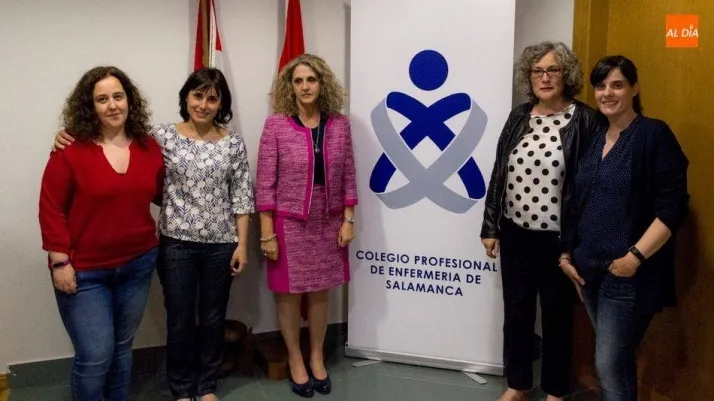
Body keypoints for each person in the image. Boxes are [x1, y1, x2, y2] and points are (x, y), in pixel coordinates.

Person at [53, 67, 255, 401]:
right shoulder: (160, 137)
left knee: (213, 317)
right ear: (185, 98)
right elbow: (114, 135)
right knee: (179, 319)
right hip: (176, 245)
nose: (203, 104)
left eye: (212, 98)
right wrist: (67, 134)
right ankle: (181, 387)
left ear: (221, 104)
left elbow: (242, 196)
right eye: (197, 96)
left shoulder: (232, 142)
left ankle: (206, 385)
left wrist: (242, 245)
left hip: (221, 244)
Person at [559, 55, 689, 401]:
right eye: (601, 86)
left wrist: (635, 257)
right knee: (613, 363)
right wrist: (566, 254)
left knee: (609, 364)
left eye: (617, 85)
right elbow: (576, 202)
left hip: (627, 274)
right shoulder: (594, 138)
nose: (607, 93)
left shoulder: (652, 135)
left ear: (635, 88)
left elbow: (673, 207)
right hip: (587, 271)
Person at [480, 41, 603, 401]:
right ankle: (518, 384)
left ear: (567, 76)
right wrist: (490, 226)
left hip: (559, 241)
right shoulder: (519, 116)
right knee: (516, 314)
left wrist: (577, 242)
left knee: (557, 317)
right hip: (516, 234)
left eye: (553, 70)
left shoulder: (586, 120)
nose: (544, 78)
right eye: (537, 71)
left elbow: (589, 186)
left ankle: (556, 390)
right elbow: (499, 172)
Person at [39, 66, 165, 401]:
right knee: (95, 355)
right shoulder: (70, 150)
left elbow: (161, 193)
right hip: (84, 271)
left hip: (137, 264)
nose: (112, 105)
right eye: (102, 99)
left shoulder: (149, 147)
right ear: (90, 106)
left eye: (118, 96)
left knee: (122, 347)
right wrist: (59, 261)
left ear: (129, 101)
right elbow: (51, 207)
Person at [256, 53, 357, 398]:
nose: (304, 87)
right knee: (289, 294)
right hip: (289, 221)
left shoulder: (340, 125)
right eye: (298, 81)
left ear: (322, 83)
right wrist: (267, 232)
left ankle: (316, 356)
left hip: (329, 219)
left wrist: (348, 219)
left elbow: (349, 175)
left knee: (320, 292)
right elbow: (265, 183)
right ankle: (295, 359)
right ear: (290, 86)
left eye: (311, 80)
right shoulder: (277, 126)